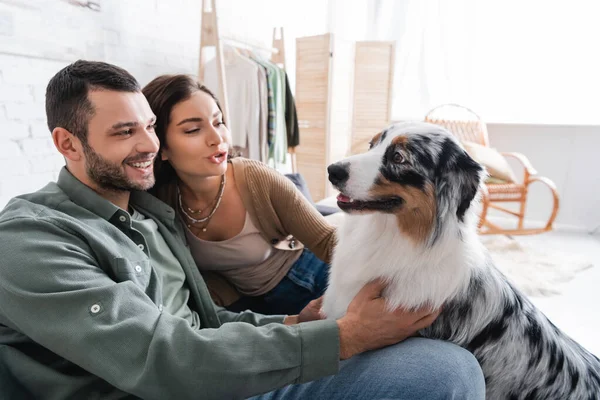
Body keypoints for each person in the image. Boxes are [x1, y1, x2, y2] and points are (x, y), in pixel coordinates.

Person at [0, 60, 485, 400]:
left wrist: (300, 325)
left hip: (256, 323)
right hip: (180, 387)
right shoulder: (29, 239)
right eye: (125, 132)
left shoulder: (149, 215)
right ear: (68, 143)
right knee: (446, 371)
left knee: (441, 342)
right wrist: (341, 338)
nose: (146, 143)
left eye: (148, 125)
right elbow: (161, 355)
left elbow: (202, 321)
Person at [142, 74, 333, 315]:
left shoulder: (256, 178)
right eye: (193, 130)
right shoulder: (161, 202)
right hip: (261, 309)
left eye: (218, 122)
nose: (216, 138)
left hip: (313, 278)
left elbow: (328, 242)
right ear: (161, 146)